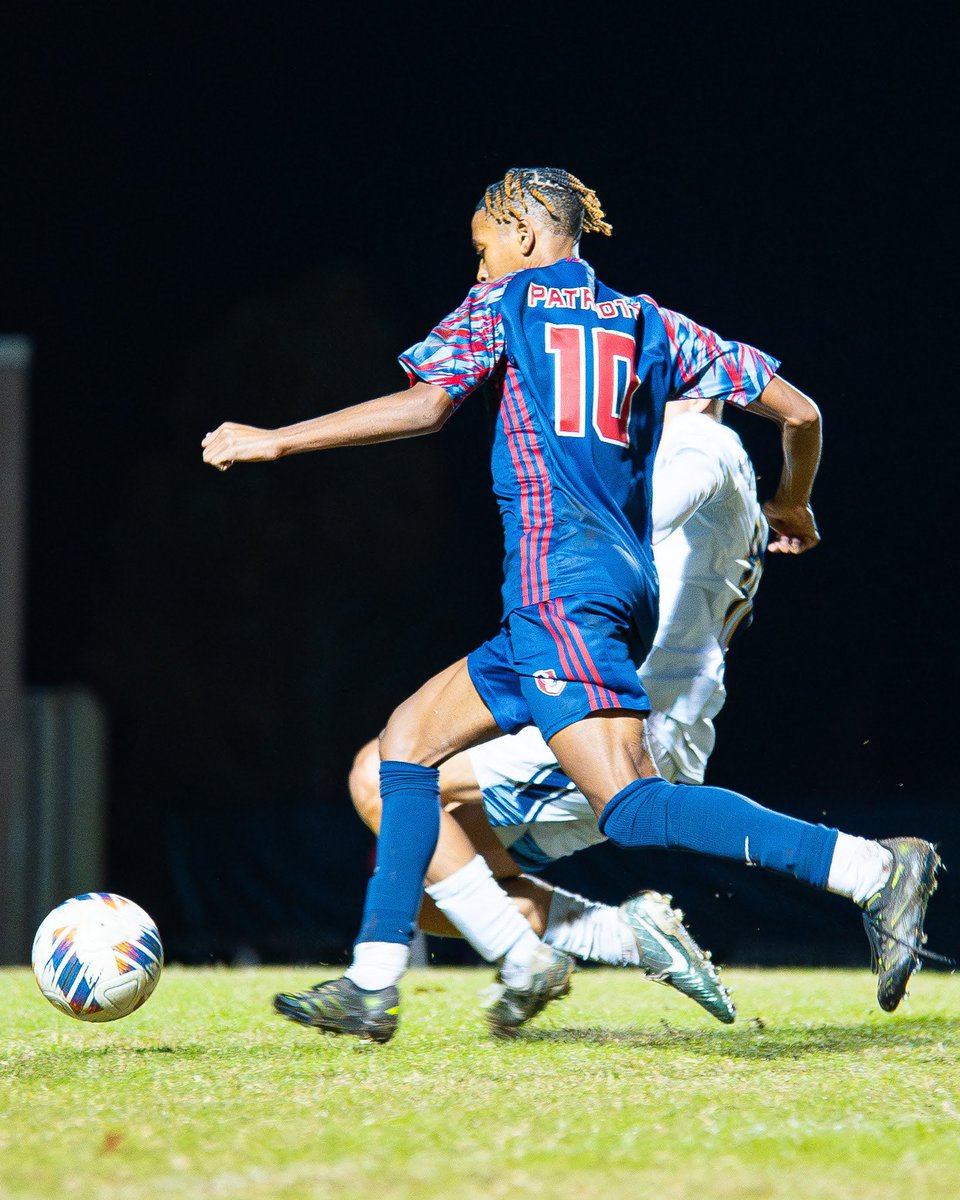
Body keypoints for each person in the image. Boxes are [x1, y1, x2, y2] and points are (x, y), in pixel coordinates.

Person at [203, 168, 941, 1044]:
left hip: (563, 589)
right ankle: (374, 979)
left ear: (521, 234)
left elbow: (428, 404)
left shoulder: (507, 303)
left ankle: (867, 867)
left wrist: (277, 438)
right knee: (404, 746)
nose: (477, 272)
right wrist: (794, 503)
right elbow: (801, 412)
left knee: (630, 805)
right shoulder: (647, 320)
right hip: (594, 592)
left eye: (482, 251)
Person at [346, 393, 767, 1026]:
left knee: (380, 775)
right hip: (629, 712)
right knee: (430, 884)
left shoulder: (700, 447)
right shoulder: (722, 465)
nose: (635, 391)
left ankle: (534, 959)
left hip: (613, 722)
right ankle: (623, 935)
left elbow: (625, 528)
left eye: (658, 381)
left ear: (702, 394)